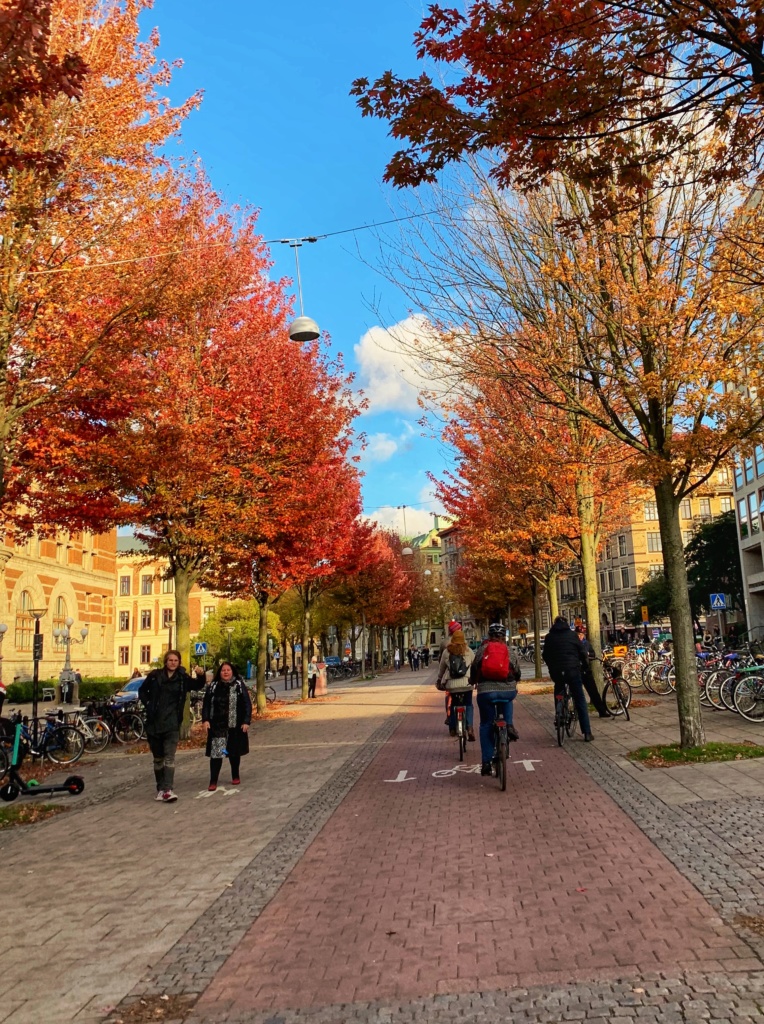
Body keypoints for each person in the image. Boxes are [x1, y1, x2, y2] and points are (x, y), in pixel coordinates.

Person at [139, 650, 197, 802]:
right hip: (154, 723)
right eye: (170, 660)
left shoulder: (182, 678)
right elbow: (142, 691)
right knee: (158, 759)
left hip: (172, 723)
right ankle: (160, 789)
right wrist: (149, 704)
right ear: (166, 661)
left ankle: (168, 790)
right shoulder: (155, 676)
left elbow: (197, 685)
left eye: (176, 660)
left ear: (179, 662)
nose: (173, 663)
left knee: (169, 758)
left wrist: (201, 674)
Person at [472, 624, 521, 775]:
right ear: (503, 637)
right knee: (507, 699)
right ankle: (509, 726)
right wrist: (515, 680)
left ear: (489, 635)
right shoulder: (509, 650)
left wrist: (473, 681)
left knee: (486, 724)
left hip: (486, 692)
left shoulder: (482, 650)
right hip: (507, 690)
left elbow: (474, 669)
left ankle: (486, 762)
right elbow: (517, 671)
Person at [543, 617, 594, 741]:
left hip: (557, 672)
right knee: (579, 698)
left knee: (559, 690)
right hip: (572, 670)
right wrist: (585, 667)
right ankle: (587, 732)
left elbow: (545, 655)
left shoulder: (549, 637)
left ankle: (559, 715)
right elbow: (582, 652)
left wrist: (551, 667)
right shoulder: (572, 635)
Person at [202, 662, 252, 790]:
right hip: (217, 726)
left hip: (235, 725)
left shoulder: (239, 685)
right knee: (216, 754)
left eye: (228, 670)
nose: (225, 672)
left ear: (232, 672)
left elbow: (247, 704)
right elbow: (206, 704)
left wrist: (246, 721)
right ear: (219, 672)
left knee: (234, 753)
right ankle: (213, 781)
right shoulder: (213, 686)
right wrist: (205, 720)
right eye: (223, 670)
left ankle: (235, 775)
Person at [436, 626, 475, 739]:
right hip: (466, 684)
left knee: (453, 704)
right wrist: (475, 679)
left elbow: (441, 668)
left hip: (452, 685)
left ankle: (452, 728)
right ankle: (470, 727)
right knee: (468, 704)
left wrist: (439, 680)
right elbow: (476, 664)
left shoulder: (446, 652)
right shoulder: (468, 650)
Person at [575, 625, 611, 719]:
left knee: (593, 691)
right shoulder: (573, 643)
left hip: (586, 669)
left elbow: (593, 654)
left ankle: (602, 711)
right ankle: (576, 713)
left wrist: (588, 655)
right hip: (576, 670)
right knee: (576, 692)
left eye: (581, 634)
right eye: (578, 634)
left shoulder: (586, 643)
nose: (580, 636)